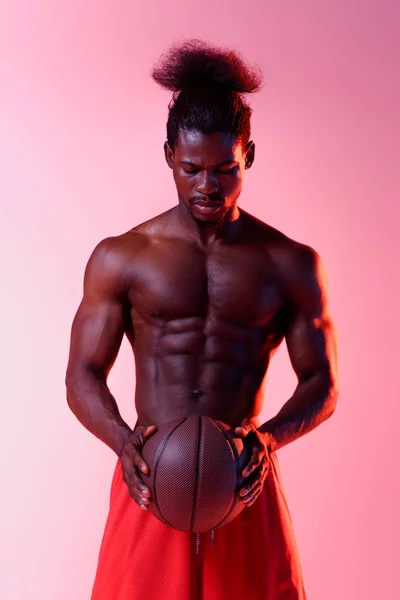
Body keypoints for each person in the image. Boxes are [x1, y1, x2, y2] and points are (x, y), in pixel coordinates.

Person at [65, 38, 339, 600]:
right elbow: (82, 374)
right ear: (168, 155)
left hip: (240, 483)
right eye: (191, 169)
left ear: (250, 156)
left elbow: (323, 383)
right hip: (149, 485)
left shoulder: (289, 263)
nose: (208, 186)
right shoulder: (123, 256)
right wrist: (124, 444)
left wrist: (268, 440)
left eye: (225, 169)